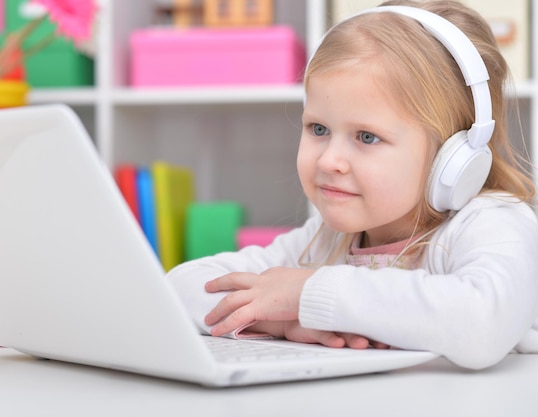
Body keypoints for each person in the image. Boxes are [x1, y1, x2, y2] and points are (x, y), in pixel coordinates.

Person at [166, 0, 538, 370]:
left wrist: (308, 293)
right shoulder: (326, 239)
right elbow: (177, 290)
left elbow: (481, 324)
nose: (329, 160)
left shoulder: (492, 223)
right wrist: (279, 318)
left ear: (455, 155)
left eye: (367, 137)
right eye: (319, 129)